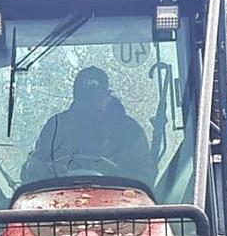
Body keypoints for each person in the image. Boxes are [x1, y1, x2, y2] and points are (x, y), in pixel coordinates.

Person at [20, 66, 153, 186]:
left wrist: (122, 185)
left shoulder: (130, 132)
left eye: (96, 100)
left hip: (120, 208)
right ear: (76, 99)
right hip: (59, 206)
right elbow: (34, 170)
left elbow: (146, 173)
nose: (91, 107)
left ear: (108, 96)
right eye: (85, 101)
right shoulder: (55, 128)